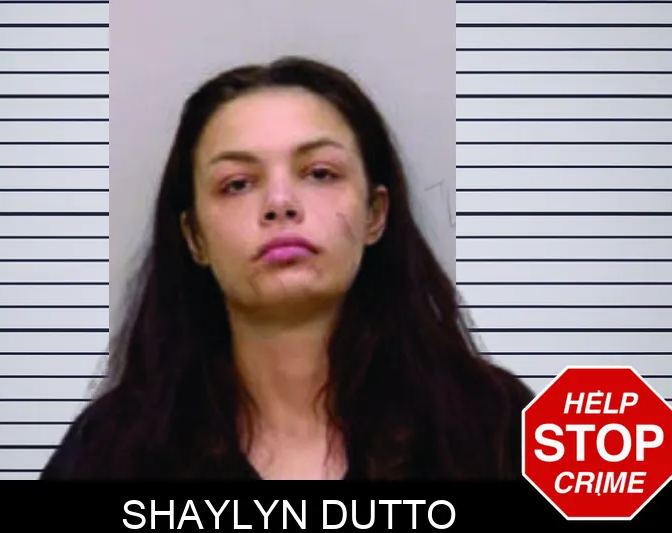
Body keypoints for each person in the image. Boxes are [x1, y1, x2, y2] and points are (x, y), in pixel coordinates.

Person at [40, 56, 534, 481]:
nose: (280, 203)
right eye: (237, 183)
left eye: (320, 173)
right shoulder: (110, 451)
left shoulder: (500, 426)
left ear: (375, 214)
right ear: (194, 237)